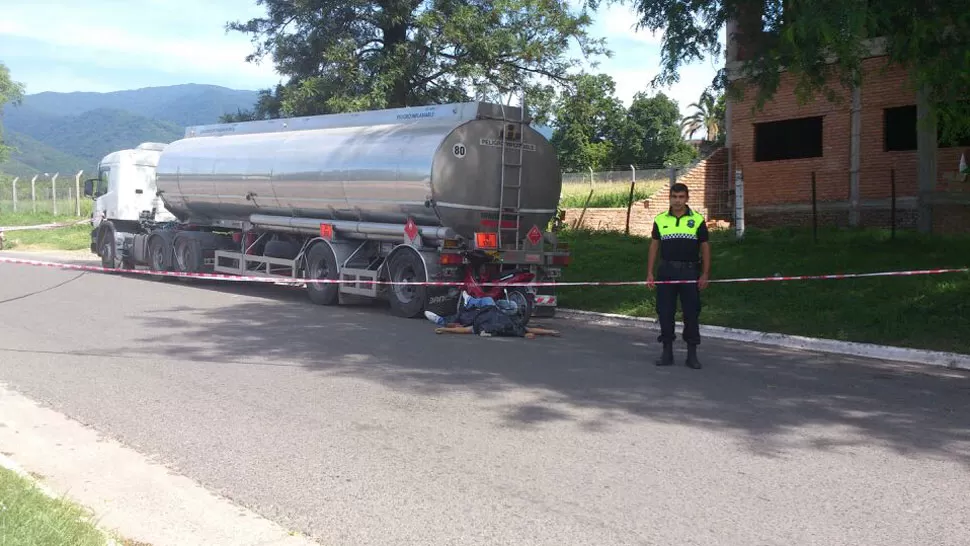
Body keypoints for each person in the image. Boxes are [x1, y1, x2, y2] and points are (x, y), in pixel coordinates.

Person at [645, 183, 711, 368]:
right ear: (670, 198)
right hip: (666, 271)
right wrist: (650, 272)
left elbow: (705, 247)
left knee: (691, 313)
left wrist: (705, 273)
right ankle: (667, 353)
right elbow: (654, 246)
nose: (677, 200)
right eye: (674, 197)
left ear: (687, 198)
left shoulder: (697, 220)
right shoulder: (660, 220)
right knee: (665, 312)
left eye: (681, 197)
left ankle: (692, 355)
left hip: (690, 271)